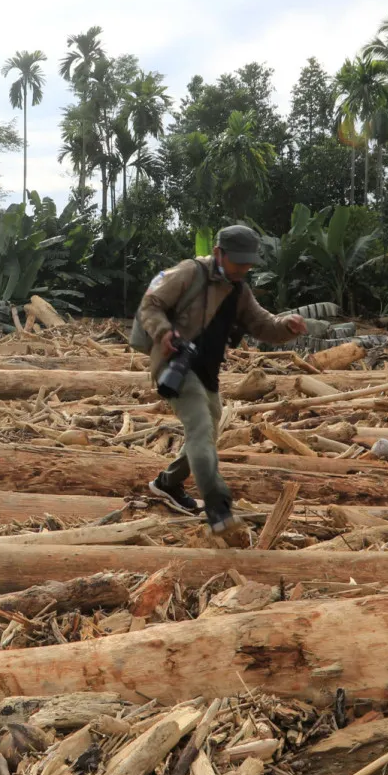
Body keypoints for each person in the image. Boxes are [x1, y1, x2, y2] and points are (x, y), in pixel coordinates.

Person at [135, 224, 307, 544]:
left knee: (206, 435)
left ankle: (167, 484)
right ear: (218, 253)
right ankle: (218, 509)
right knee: (201, 429)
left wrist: (286, 326)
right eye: (238, 261)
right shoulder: (189, 273)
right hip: (176, 366)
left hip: (207, 370)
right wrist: (163, 332)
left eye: (247, 263)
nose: (243, 268)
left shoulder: (239, 290)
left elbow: (262, 324)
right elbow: (150, 304)